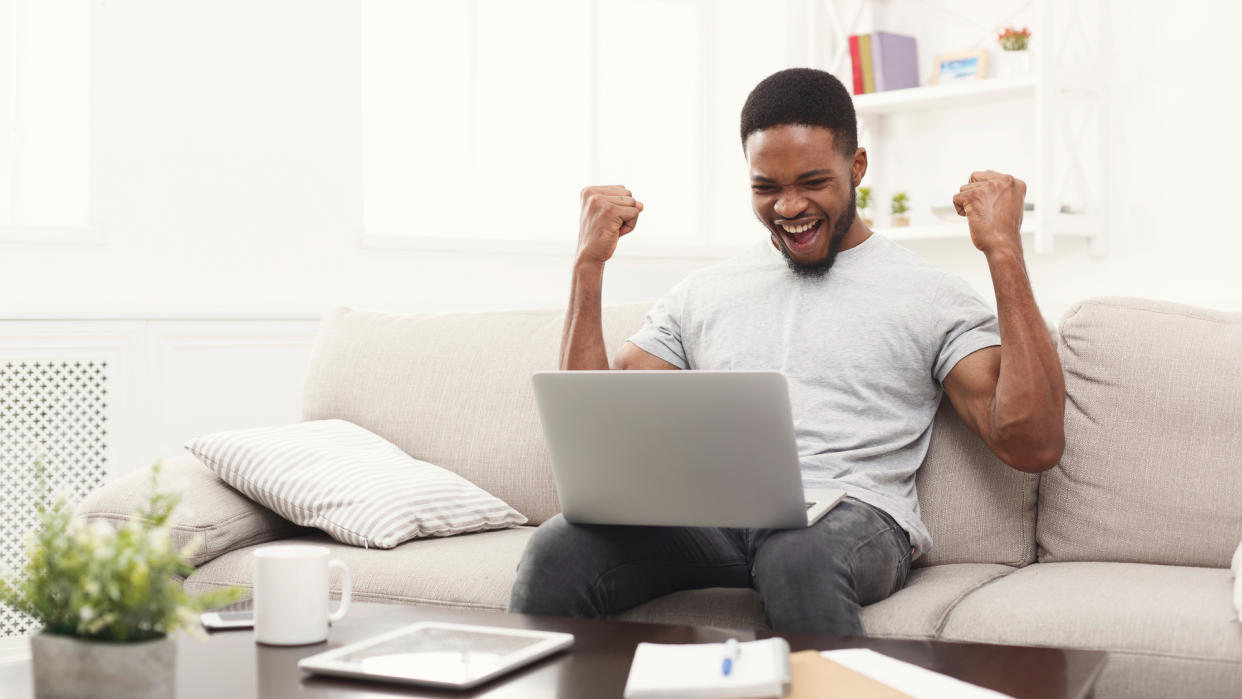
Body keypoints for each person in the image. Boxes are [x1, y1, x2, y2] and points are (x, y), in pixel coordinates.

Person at [508, 67, 1065, 635]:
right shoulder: (705, 292)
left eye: (813, 182)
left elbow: (1031, 440)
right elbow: (596, 432)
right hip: (715, 519)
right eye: (766, 188)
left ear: (858, 168)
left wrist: (1003, 250)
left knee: (794, 552)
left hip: (850, 519)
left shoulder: (931, 293)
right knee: (560, 546)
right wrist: (588, 266)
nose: (789, 207)